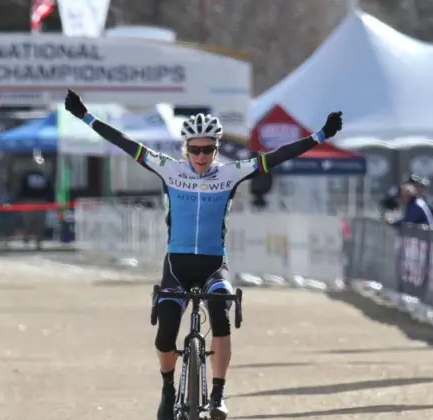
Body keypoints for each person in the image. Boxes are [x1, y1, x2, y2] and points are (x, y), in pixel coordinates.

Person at [64, 89, 343, 420]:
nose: (201, 155)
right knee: (166, 332)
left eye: (208, 149)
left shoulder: (230, 173)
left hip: (213, 265)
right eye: (195, 149)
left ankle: (218, 395)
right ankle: (168, 390)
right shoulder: (169, 169)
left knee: (220, 315)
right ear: (186, 148)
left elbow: (280, 154)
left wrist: (321, 135)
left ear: (216, 148)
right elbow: (124, 142)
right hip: (177, 265)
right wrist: (85, 116)